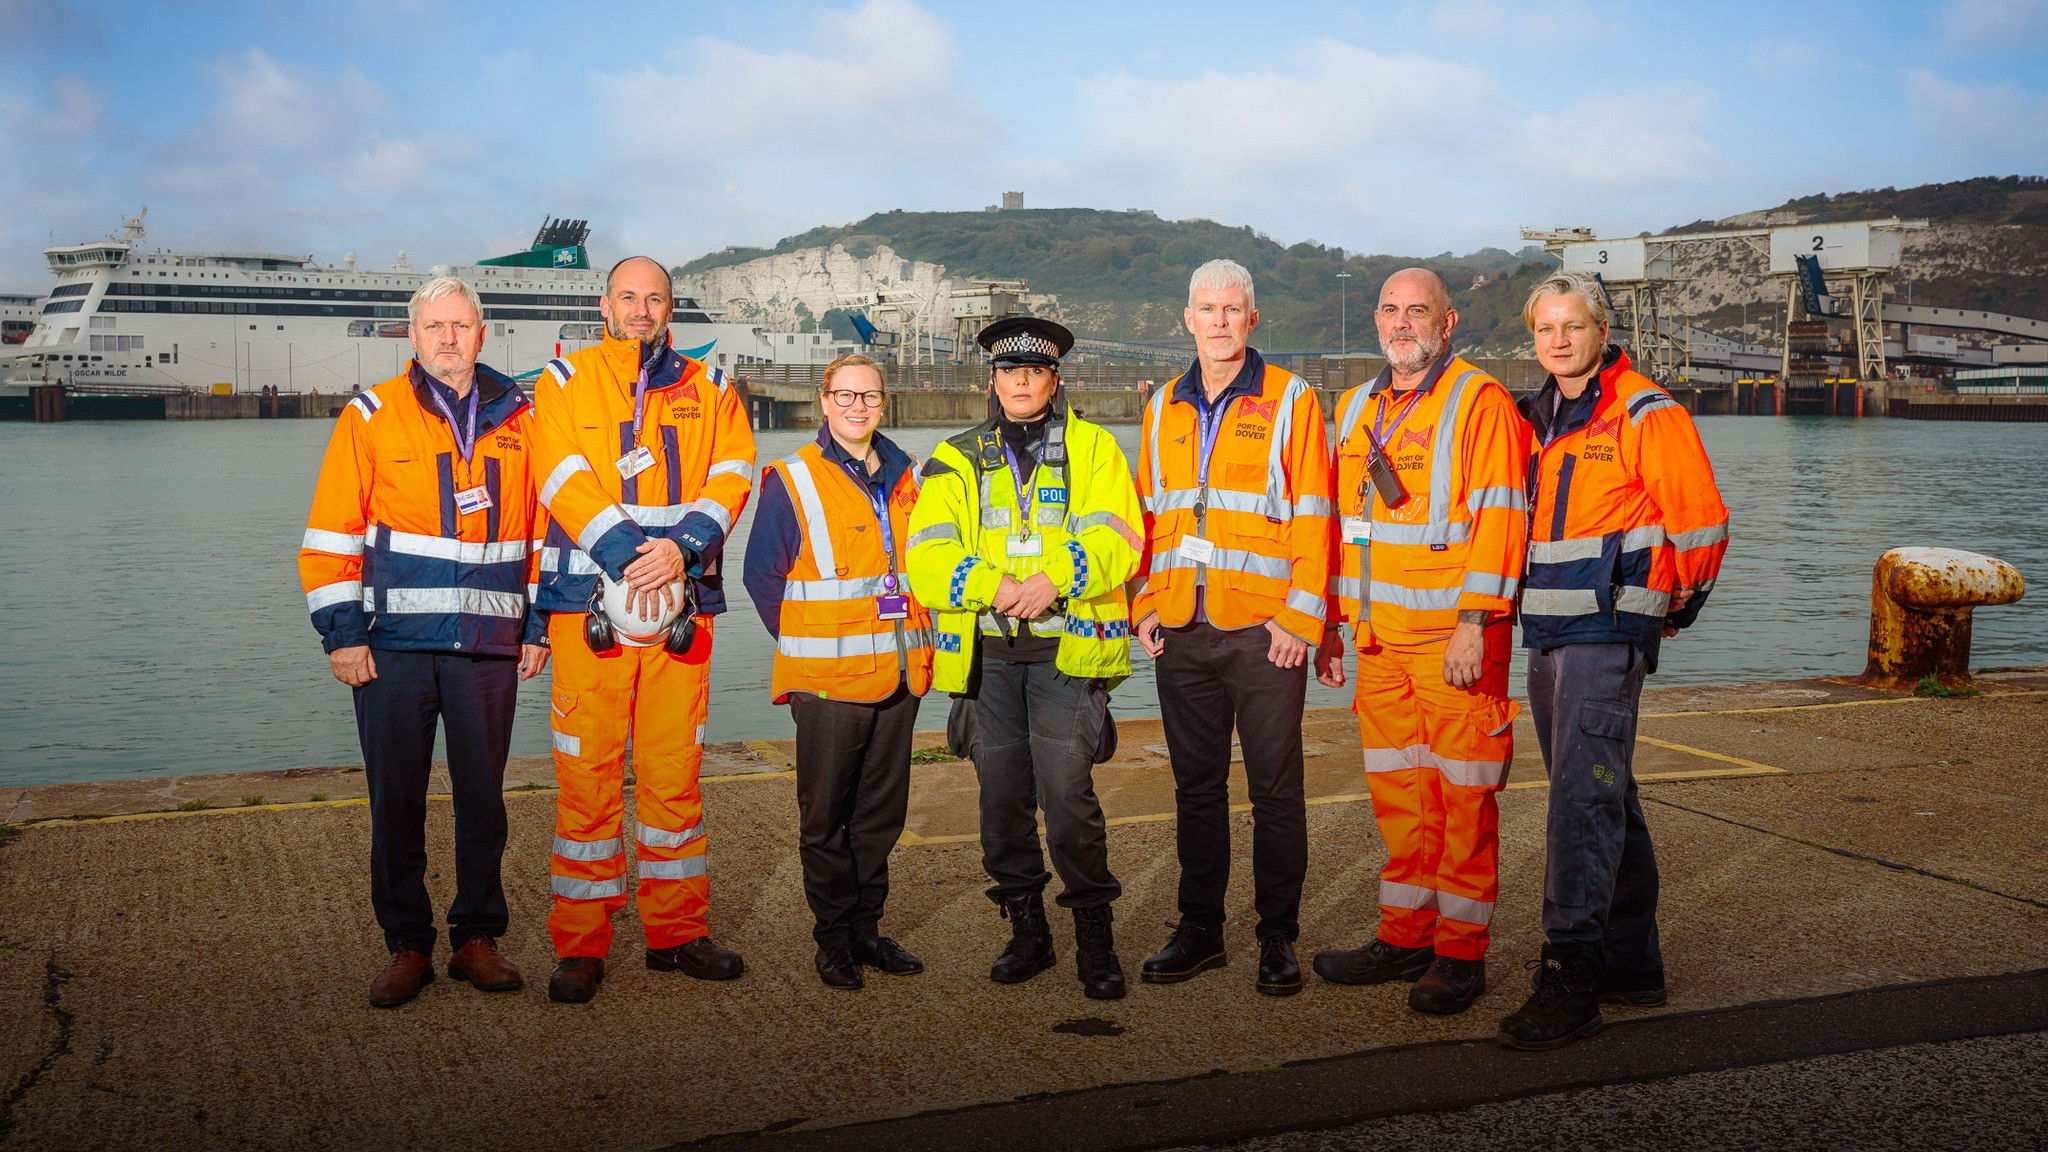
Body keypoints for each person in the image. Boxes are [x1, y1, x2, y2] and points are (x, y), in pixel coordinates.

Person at [298, 275, 549, 1008]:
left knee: (484, 802)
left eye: (461, 326)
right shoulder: (371, 416)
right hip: (392, 648)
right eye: (434, 326)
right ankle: (408, 945)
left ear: (482, 333)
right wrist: (342, 636)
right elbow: (329, 537)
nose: (448, 338)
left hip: (489, 649)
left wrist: (537, 626)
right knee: (396, 803)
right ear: (413, 336)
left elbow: (544, 531)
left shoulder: (523, 418)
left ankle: (477, 937)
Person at [1497, 270, 1729, 1049]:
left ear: (1602, 331)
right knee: (1604, 790)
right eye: (1545, 330)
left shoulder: (1641, 410)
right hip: (1550, 634)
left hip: (1605, 635)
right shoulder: (1538, 418)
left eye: (1572, 327)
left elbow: (1700, 525)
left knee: (1577, 804)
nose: (1558, 341)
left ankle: (1571, 976)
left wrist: (1662, 613)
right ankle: (1632, 963)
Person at [530, 256, 757, 1003]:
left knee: (672, 773)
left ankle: (678, 932)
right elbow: (558, 475)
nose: (640, 308)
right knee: (587, 774)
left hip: (681, 607)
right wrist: (630, 555)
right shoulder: (562, 382)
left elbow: (734, 473)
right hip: (586, 607)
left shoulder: (713, 388)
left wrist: (682, 548)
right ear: (605, 305)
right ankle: (582, 944)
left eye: (653, 298)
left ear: (670, 309)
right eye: (627, 296)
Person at [905, 316, 1144, 1000]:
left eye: (1035, 372)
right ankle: (1027, 931)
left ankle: (1094, 938)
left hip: (1067, 651)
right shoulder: (953, 458)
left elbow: (1122, 540)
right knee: (1001, 801)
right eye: (1010, 372)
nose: (1021, 382)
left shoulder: (1097, 450)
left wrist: (1055, 579)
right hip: (986, 657)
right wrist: (997, 587)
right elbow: (927, 558)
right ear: (993, 381)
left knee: (1069, 798)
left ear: (1055, 380)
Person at [1313, 267, 1531, 1016]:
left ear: (1448, 322)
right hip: (1378, 643)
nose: (1402, 323)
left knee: (1464, 798)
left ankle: (1460, 956)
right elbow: (1346, 531)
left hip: (1453, 642)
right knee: (1400, 797)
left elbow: (1503, 518)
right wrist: (1336, 625)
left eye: (1418, 311)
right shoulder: (1356, 408)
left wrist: (1476, 621)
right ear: (1377, 321)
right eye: (1391, 311)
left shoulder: (1479, 402)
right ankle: (1405, 936)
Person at [1132, 259, 1334, 997]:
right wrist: (1144, 604)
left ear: (1253, 320)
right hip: (1183, 626)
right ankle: (1200, 930)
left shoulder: (1291, 399)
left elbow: (1317, 514)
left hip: (1263, 631)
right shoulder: (1163, 408)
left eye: (1233, 309)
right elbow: (1151, 517)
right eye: (1207, 308)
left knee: (1277, 791)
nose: (1219, 320)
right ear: (1187, 317)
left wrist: (1302, 618)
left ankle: (1277, 937)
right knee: (1197, 789)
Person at [743, 354, 934, 990]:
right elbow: (761, 575)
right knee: (825, 817)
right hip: (828, 683)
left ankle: (867, 930)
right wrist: (808, 647)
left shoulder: (909, 476)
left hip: (901, 674)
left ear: (885, 403)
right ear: (824, 401)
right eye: (846, 396)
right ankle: (832, 941)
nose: (858, 406)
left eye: (870, 396)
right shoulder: (790, 478)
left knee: (880, 816)